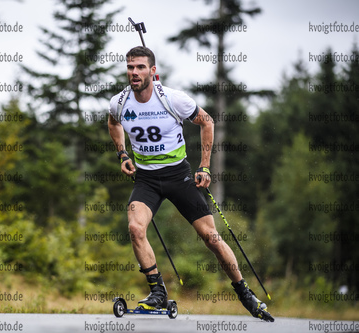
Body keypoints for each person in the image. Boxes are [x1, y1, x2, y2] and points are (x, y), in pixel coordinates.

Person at [107, 46, 273, 321]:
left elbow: (206, 122)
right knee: (135, 228)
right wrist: (122, 153)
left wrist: (204, 165)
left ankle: (244, 292)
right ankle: (157, 290)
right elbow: (113, 123)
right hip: (147, 179)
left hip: (179, 176)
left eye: (140, 67)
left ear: (152, 71)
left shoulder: (173, 99)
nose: (134, 73)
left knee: (210, 237)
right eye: (130, 67)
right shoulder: (120, 102)